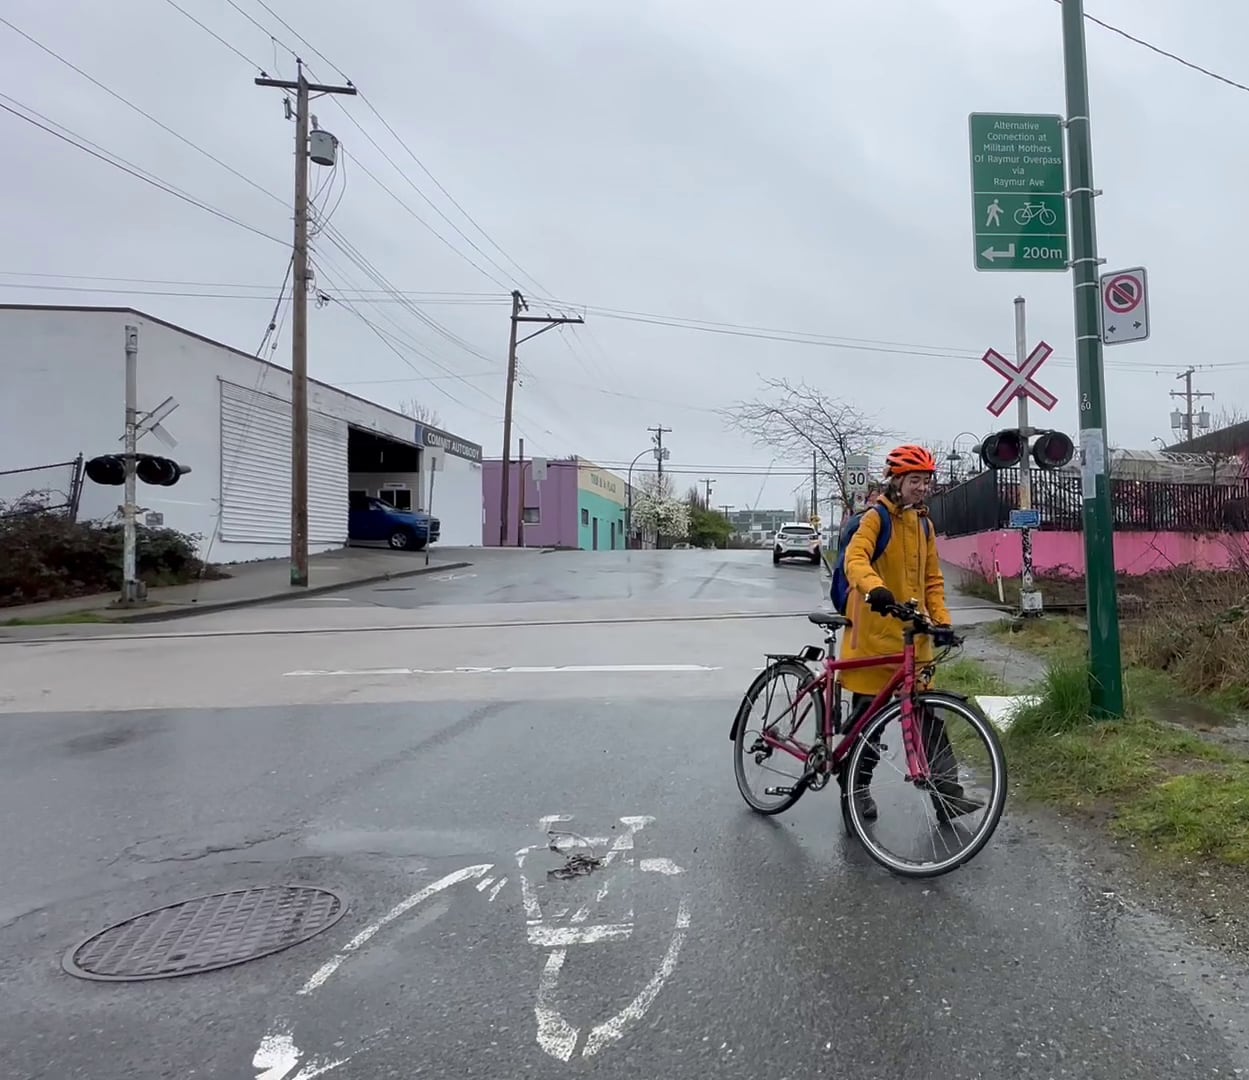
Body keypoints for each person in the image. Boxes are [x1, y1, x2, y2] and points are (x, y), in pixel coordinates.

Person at [837, 444, 981, 821]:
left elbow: (932, 580)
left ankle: (948, 797)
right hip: (874, 638)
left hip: (914, 640)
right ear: (896, 481)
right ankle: (855, 788)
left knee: (928, 718)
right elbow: (855, 558)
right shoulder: (875, 518)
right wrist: (875, 588)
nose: (922, 487)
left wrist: (943, 622)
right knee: (867, 722)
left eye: (926, 481)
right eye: (915, 480)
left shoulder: (923, 524)